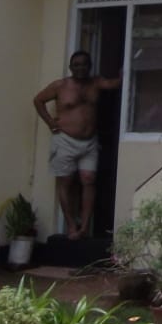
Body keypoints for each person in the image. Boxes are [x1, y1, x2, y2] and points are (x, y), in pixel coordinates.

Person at [33, 51, 121, 240]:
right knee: (66, 182)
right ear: (71, 67)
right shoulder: (60, 86)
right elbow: (38, 100)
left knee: (88, 179)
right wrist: (50, 122)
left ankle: (84, 228)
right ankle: (72, 226)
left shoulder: (96, 83)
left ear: (90, 66)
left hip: (90, 142)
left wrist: (126, 69)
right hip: (65, 139)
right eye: (77, 65)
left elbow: (115, 84)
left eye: (84, 64)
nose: (81, 68)